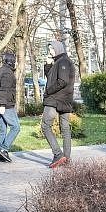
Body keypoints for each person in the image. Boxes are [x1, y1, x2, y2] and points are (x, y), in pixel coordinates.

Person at [42, 39, 76, 168]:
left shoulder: (63, 62)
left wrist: (49, 91)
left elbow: (62, 81)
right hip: (64, 100)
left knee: (45, 126)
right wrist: (48, 65)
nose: (50, 51)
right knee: (65, 128)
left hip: (56, 100)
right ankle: (66, 158)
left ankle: (58, 154)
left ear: (58, 48)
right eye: (49, 49)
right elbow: (51, 78)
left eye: (51, 48)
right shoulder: (59, 62)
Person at [0, 52, 20, 162]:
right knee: (16, 127)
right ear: (11, 61)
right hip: (6, 106)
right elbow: (3, 90)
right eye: (15, 61)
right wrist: (2, 105)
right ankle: (3, 149)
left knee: (2, 130)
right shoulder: (8, 74)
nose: (16, 63)